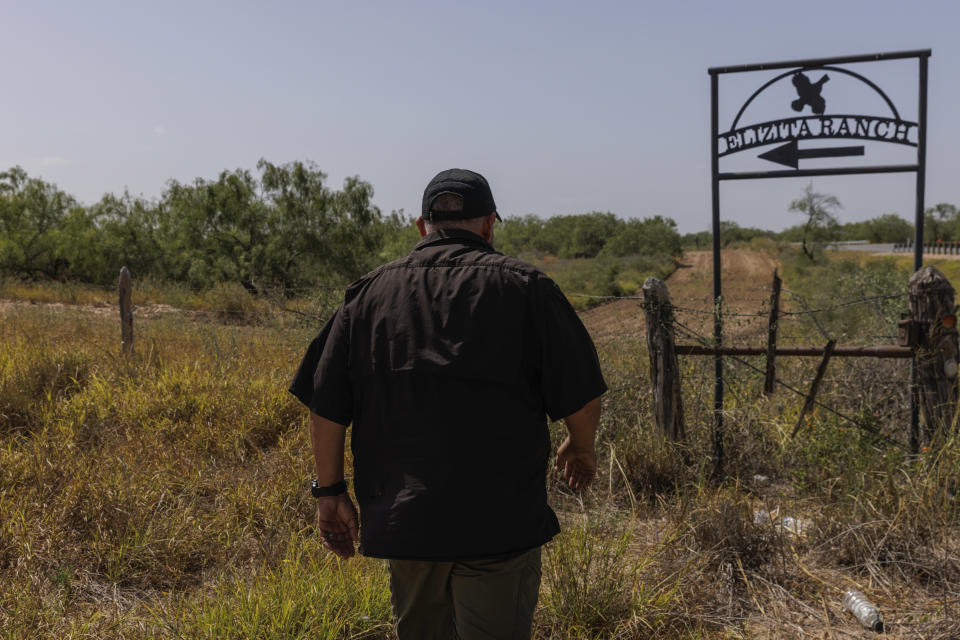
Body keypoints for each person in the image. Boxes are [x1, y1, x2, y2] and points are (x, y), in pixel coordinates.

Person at [289, 168, 606, 639]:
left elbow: (326, 406)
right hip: (499, 523)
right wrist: (581, 446)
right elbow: (581, 395)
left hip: (408, 525)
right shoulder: (528, 289)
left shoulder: (367, 296)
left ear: (422, 226)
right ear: (489, 225)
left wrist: (330, 493)